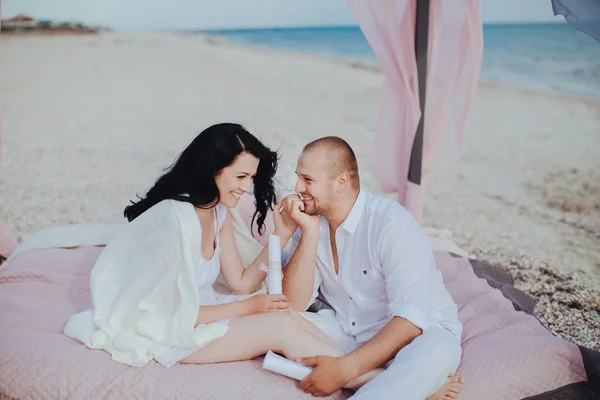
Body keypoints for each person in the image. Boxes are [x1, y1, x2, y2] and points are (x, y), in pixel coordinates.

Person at [64, 123, 384, 391]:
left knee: (288, 316)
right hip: (166, 331)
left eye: (251, 178)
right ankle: (380, 385)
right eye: (240, 177)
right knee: (279, 326)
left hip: (201, 315)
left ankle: (367, 375)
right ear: (213, 171)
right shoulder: (175, 220)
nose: (247, 188)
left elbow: (243, 283)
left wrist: (282, 233)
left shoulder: (218, 213)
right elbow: (169, 313)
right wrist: (249, 308)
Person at [281, 136, 465, 399]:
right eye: (299, 177)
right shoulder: (311, 220)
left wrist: (343, 370)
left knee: (434, 351)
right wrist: (308, 234)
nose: (298, 187)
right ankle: (419, 389)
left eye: (308, 180)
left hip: (418, 335)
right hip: (350, 331)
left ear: (341, 182)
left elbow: (411, 320)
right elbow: (294, 302)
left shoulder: (392, 225)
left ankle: (401, 381)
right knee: (277, 321)